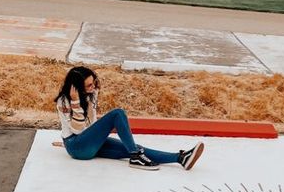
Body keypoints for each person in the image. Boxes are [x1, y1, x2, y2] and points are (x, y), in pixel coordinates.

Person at [54, 66, 204, 172]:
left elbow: (91, 124)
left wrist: (95, 134)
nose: (93, 87)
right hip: (77, 147)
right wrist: (75, 102)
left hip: (89, 143)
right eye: (88, 85)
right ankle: (135, 157)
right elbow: (77, 130)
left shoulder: (91, 95)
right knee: (117, 113)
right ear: (77, 87)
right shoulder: (64, 101)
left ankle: (180, 158)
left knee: (131, 147)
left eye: (93, 83)